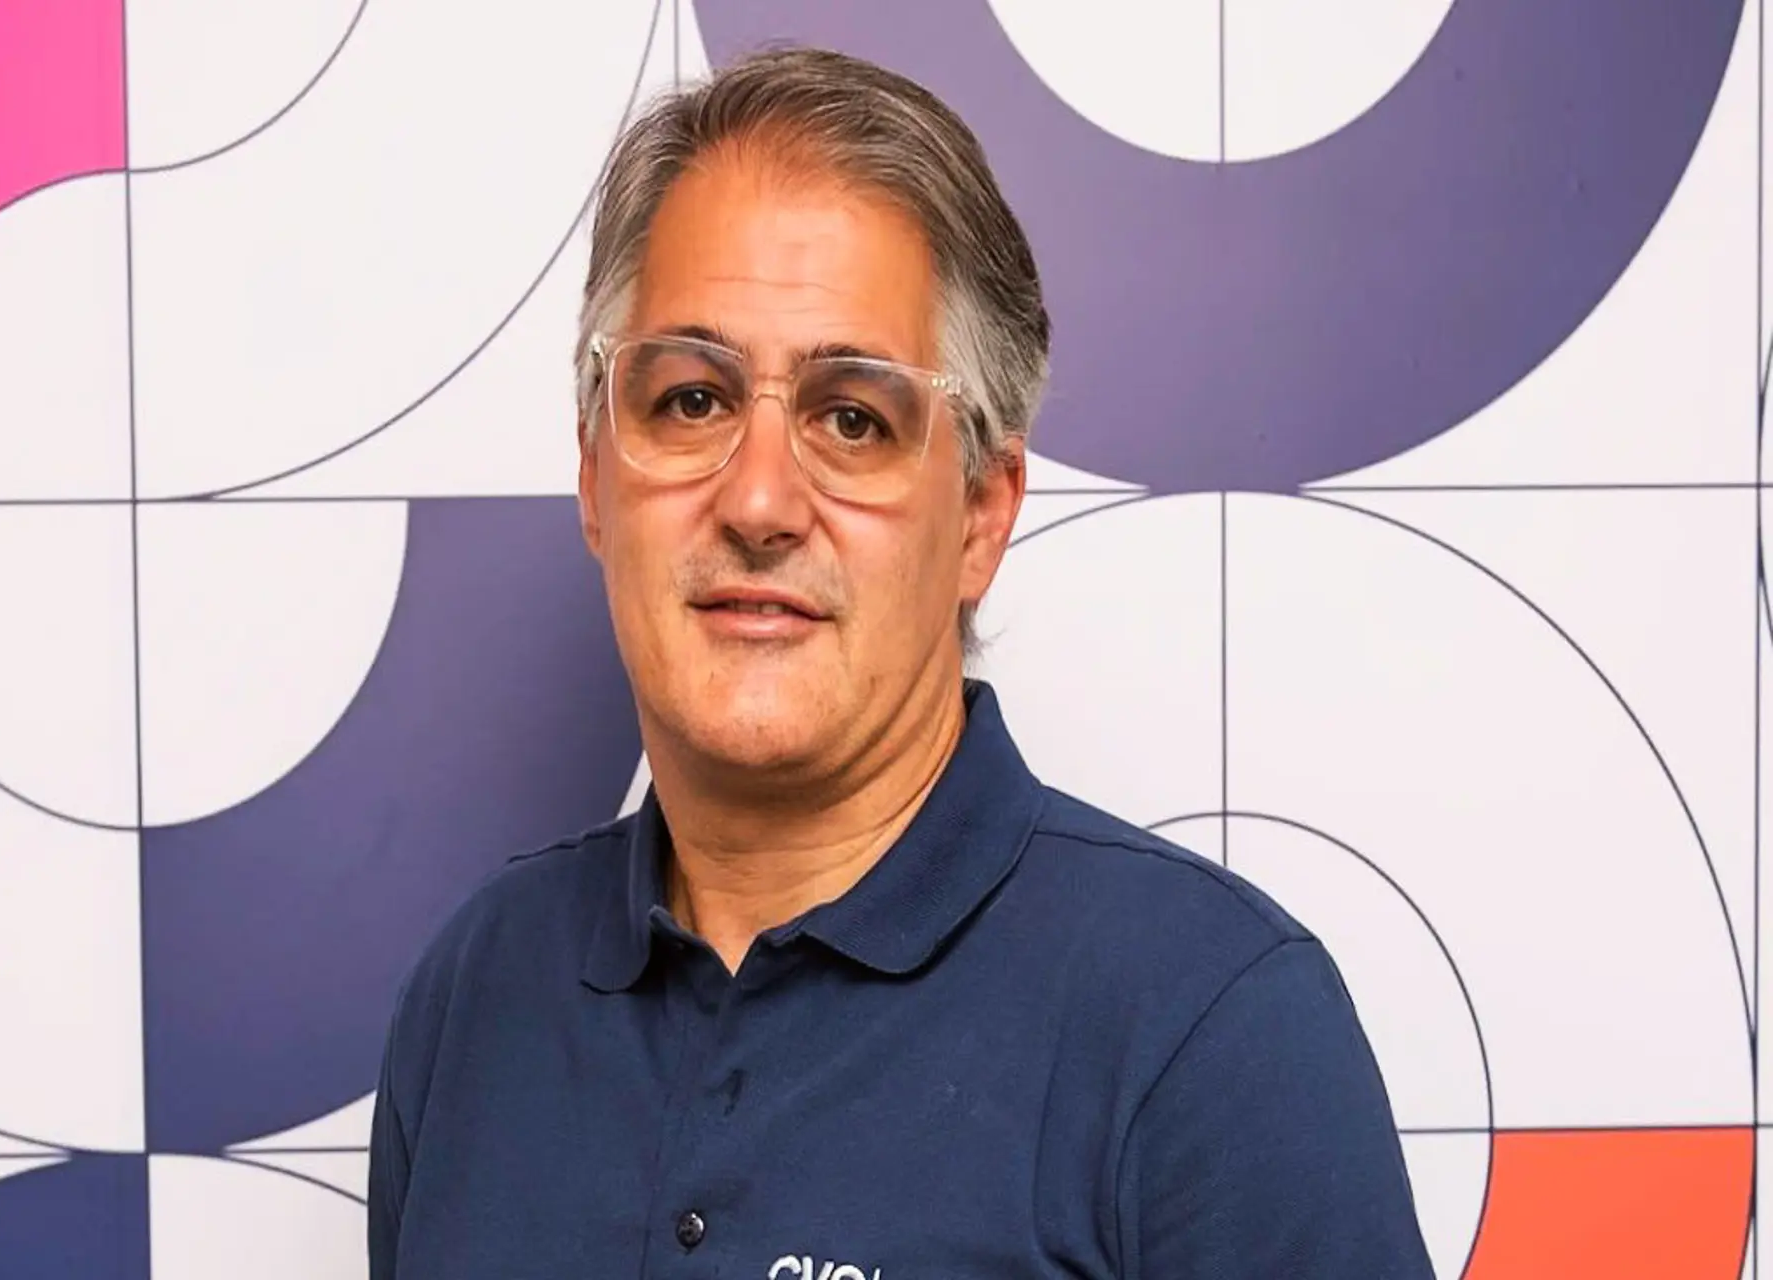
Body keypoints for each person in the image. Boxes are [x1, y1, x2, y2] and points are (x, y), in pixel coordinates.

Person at [367, 46, 1432, 1280]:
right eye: (693, 400)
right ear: (597, 476)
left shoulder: (1209, 1027)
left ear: (980, 512)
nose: (759, 501)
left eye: (853, 417)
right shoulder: (474, 996)